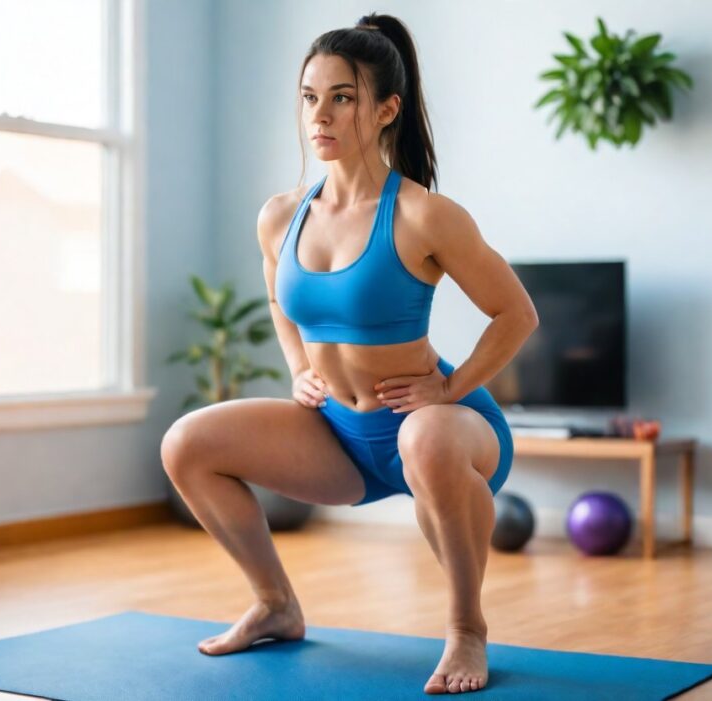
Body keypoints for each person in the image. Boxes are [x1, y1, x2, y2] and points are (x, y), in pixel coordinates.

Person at [161, 11, 538, 696]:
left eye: (342, 97)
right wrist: (300, 369)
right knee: (187, 443)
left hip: (443, 430)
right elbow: (281, 301)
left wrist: (450, 393)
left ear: (386, 109)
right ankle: (275, 602)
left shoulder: (425, 214)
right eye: (310, 97)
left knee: (425, 439)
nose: (320, 115)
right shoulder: (281, 215)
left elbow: (516, 314)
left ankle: (466, 629)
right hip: (340, 432)